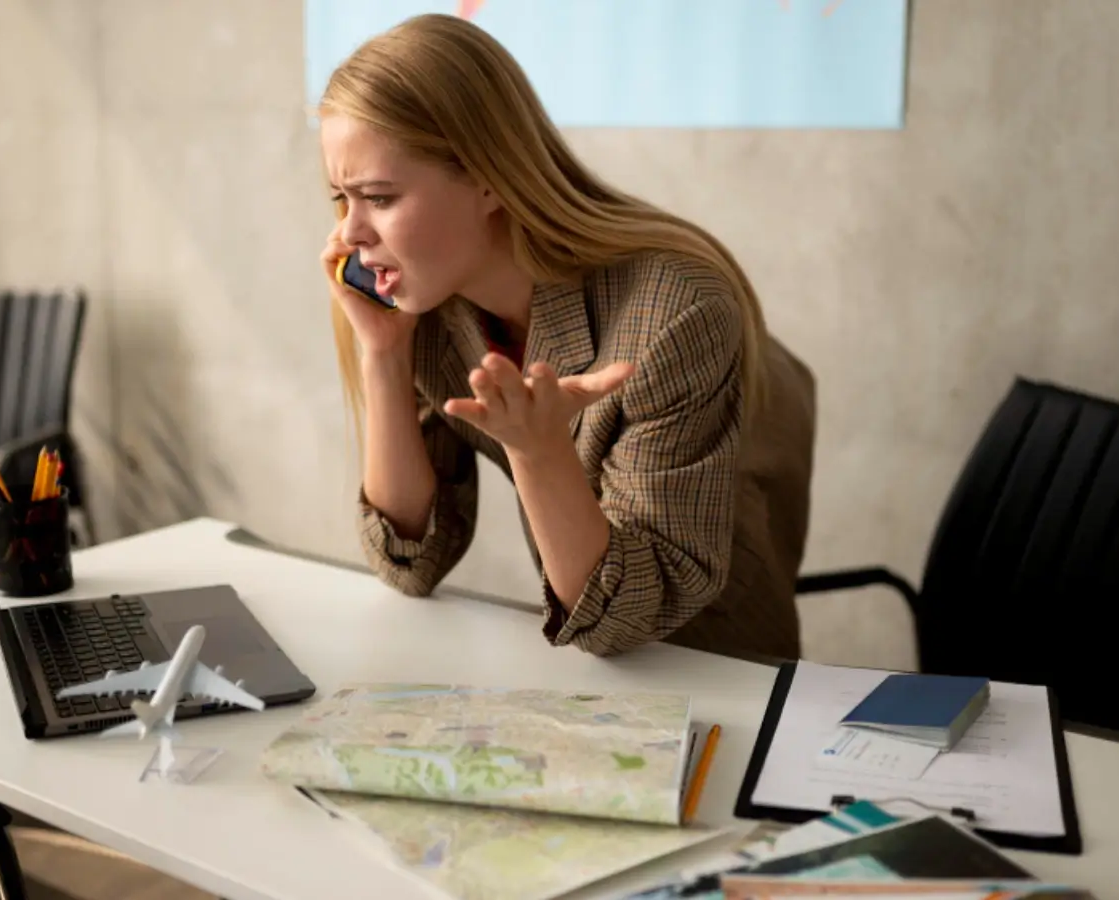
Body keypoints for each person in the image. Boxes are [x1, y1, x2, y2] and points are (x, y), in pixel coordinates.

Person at [315, 13, 816, 663]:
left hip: (714, 659)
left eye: (378, 197)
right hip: (590, 666)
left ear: (487, 175)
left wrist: (539, 453)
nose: (350, 232)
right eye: (341, 198)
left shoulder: (675, 312)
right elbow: (411, 558)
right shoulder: (431, 308)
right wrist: (383, 353)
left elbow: (622, 619)